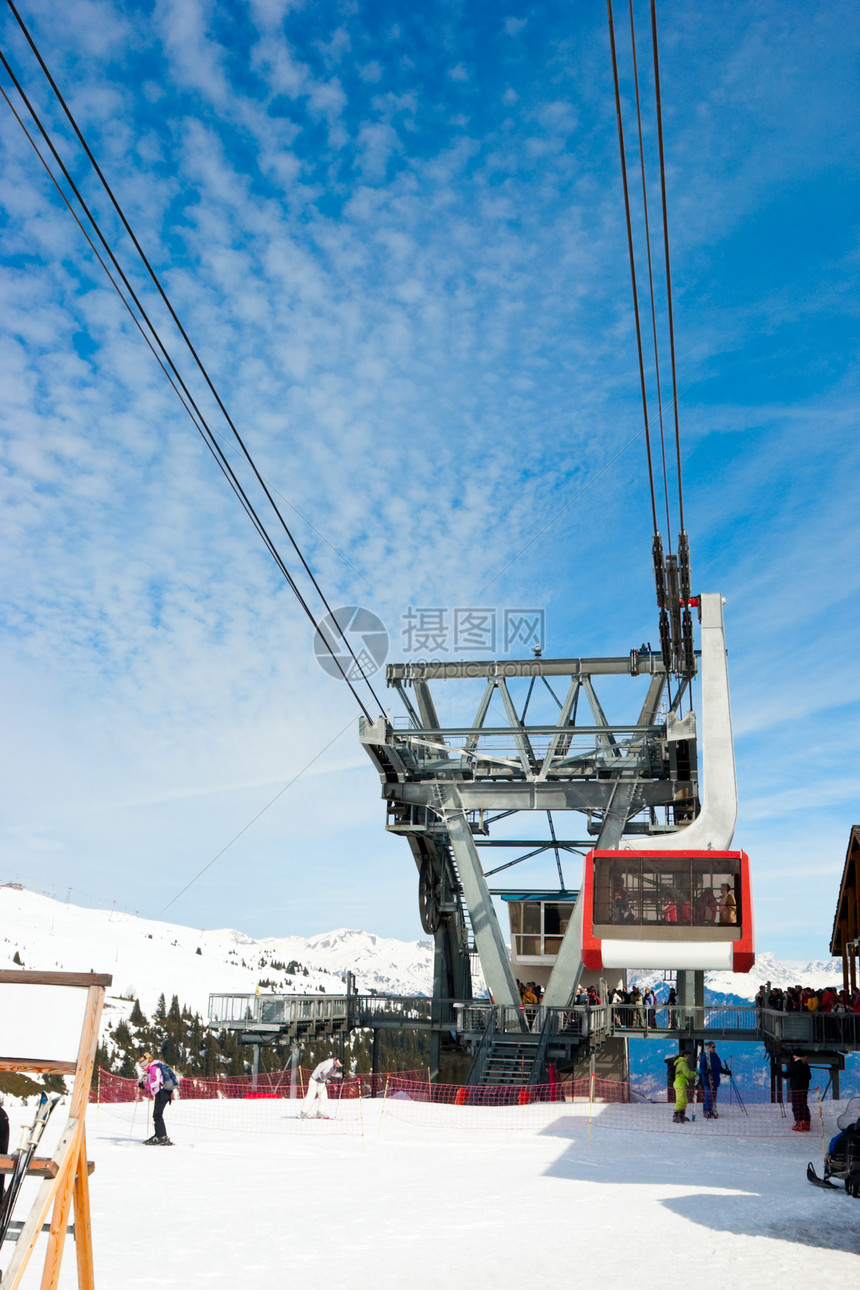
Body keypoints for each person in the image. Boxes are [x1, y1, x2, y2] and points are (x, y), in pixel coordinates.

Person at [138, 1051, 177, 1145]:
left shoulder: (153, 1068)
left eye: (143, 1064)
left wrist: (146, 1086)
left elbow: (156, 1081)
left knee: (157, 1115)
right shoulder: (154, 1067)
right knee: (156, 1115)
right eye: (141, 1065)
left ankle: (162, 1136)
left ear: (148, 1062)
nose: (142, 1067)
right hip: (163, 1092)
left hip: (162, 1092)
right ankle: (158, 1135)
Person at [698, 1042, 730, 1119]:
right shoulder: (705, 1056)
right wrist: (705, 1072)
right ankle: (706, 1110)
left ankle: (712, 1109)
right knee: (708, 1095)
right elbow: (702, 1067)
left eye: (714, 1047)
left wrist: (725, 1071)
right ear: (708, 1048)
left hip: (715, 1079)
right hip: (708, 1080)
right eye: (712, 1047)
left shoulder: (716, 1057)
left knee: (713, 1095)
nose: (714, 1048)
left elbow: (718, 1067)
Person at [783, 1054, 811, 1131]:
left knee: (796, 1105)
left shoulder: (795, 1065)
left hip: (796, 1088)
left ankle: (799, 1124)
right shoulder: (806, 1065)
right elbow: (809, 1077)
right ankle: (807, 1124)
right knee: (803, 1104)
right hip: (804, 1088)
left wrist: (778, 1071)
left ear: (795, 1056)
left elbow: (787, 1075)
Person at [672, 1050, 697, 1123]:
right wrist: (696, 1073)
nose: (689, 1058)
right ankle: (676, 1116)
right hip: (680, 1082)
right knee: (680, 1100)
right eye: (688, 1056)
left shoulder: (680, 1062)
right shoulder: (683, 1063)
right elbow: (688, 1074)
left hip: (681, 1082)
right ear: (685, 1056)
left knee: (684, 1099)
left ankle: (681, 1115)